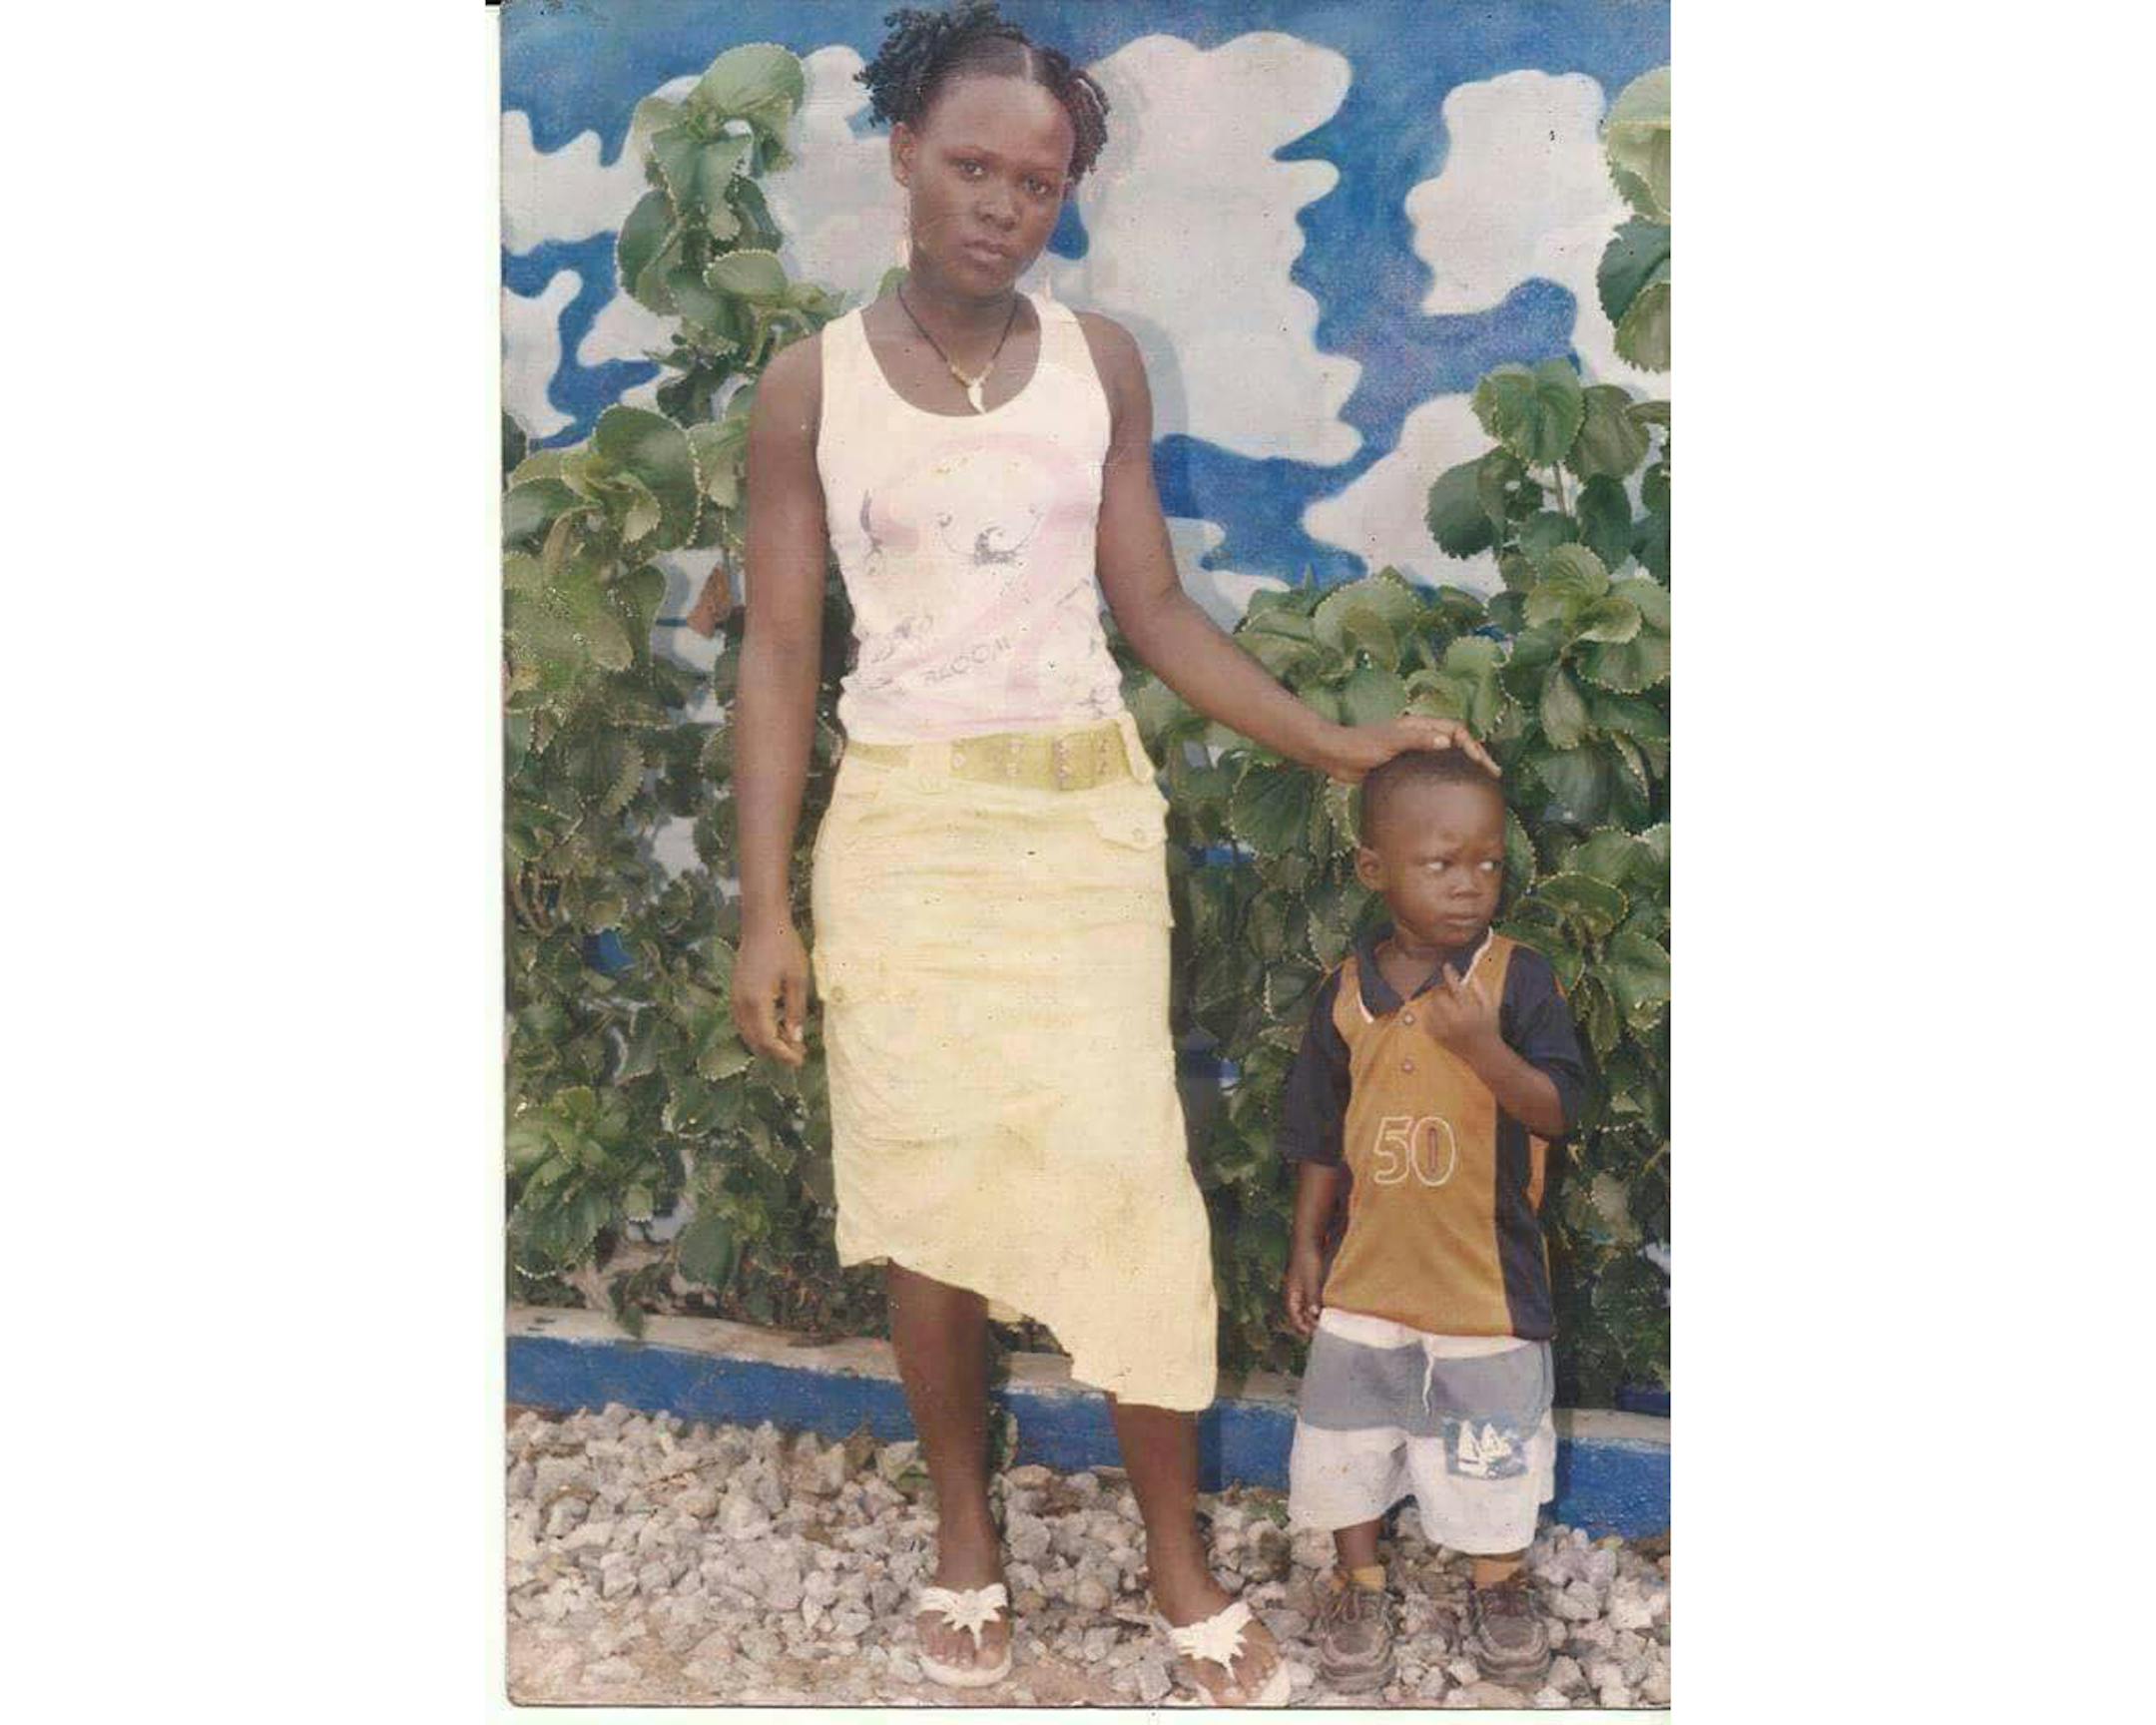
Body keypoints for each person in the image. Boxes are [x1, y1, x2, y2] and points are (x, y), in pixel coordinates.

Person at [729, 0, 1494, 1703]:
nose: (1004, 202)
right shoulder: (811, 390)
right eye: (974, 165)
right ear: (907, 160)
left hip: (1082, 831)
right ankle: (963, 1529)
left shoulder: (1102, 367)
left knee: (1131, 1189)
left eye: (1039, 178)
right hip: (906, 837)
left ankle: (1177, 1552)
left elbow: (1153, 610)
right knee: (930, 1194)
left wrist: (1342, 742)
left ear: (1067, 194)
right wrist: (765, 901)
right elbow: (783, 653)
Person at [1278, 749, 1588, 1695]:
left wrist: (1482, 1049)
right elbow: (1318, 1135)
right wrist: (1305, 1245)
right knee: (1346, 1440)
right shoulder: (1343, 992)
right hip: (1366, 1282)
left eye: (1488, 864)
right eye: (1441, 863)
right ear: (1376, 868)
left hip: (1482, 1290)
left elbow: (1559, 1111)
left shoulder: (1517, 982)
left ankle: (1497, 1582)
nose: (1469, 886)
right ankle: (1358, 1579)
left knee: (1490, 1449)